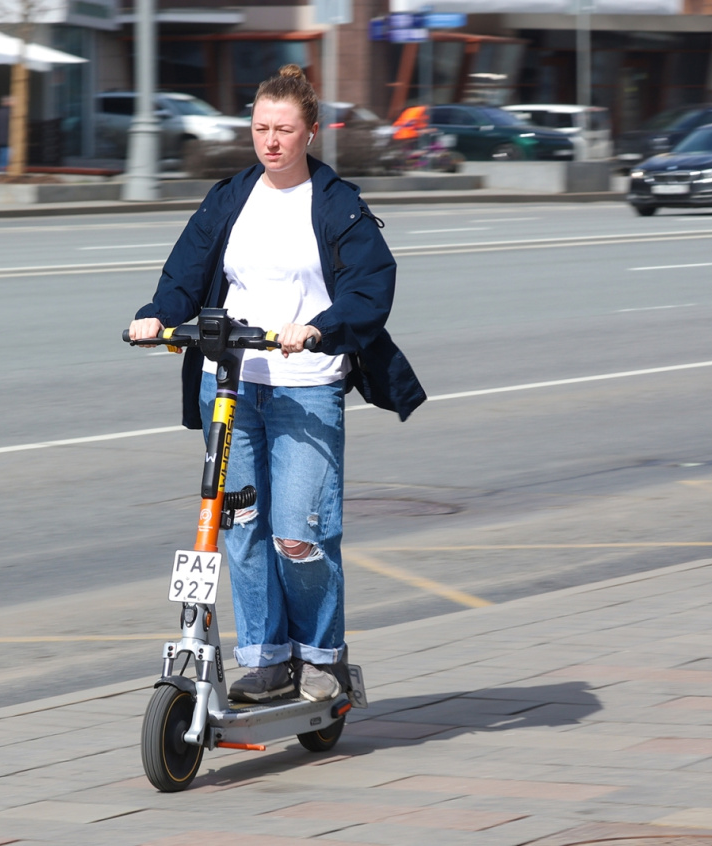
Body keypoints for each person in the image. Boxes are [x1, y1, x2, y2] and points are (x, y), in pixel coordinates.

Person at [127, 64, 424, 704]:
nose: (271, 141)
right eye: (261, 128)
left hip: (304, 386)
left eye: (284, 129)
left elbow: (370, 289)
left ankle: (321, 657)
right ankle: (265, 659)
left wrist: (318, 328)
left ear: (310, 132)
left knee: (298, 535)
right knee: (241, 527)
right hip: (230, 385)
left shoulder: (337, 204)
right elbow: (185, 272)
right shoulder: (231, 197)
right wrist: (156, 315)